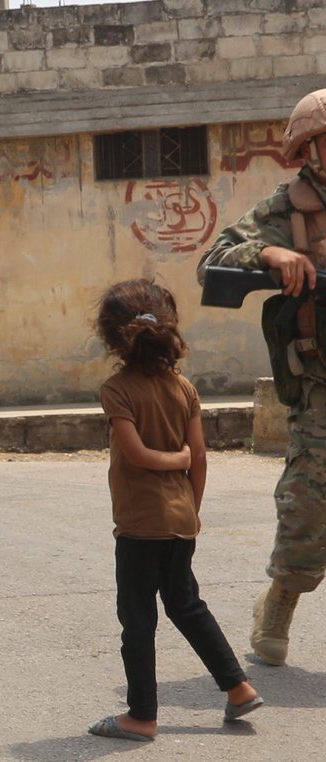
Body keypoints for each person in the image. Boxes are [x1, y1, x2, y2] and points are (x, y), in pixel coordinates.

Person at [87, 279, 262, 742]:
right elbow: (200, 457)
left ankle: (141, 716)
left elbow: (139, 454)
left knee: (138, 618)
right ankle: (238, 687)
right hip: (181, 520)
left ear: (111, 337)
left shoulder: (116, 390)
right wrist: (191, 509)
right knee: (186, 604)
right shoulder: (183, 387)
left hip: (140, 526)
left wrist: (175, 461)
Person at [198, 88, 326, 667]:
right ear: (310, 149)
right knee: (308, 510)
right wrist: (271, 257)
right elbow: (214, 261)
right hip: (323, 385)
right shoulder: (286, 211)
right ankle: (280, 599)